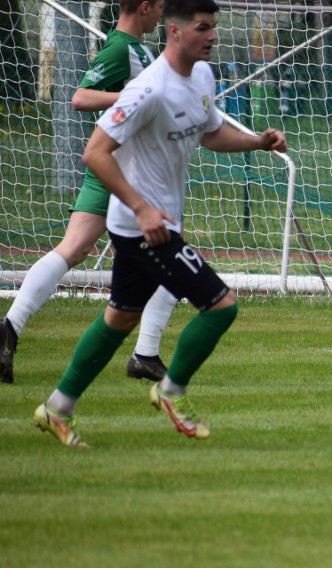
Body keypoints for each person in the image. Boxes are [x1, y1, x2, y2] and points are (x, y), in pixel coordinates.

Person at [33, 0, 287, 447]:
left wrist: (256, 143)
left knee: (119, 320)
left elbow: (209, 133)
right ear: (173, 30)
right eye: (203, 28)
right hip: (144, 227)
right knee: (222, 305)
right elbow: (94, 153)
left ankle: (57, 408)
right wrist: (143, 207)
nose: (212, 36)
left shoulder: (204, 76)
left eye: (214, 28)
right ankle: (171, 391)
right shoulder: (146, 90)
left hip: (154, 222)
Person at [0, 0, 172, 385]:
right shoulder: (119, 49)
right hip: (122, 172)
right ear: (143, 7)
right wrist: (132, 99)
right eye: (158, 6)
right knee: (168, 256)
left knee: (75, 249)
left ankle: (9, 327)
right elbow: (80, 97)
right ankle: (145, 353)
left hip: (125, 167)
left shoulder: (140, 48)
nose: (161, 13)